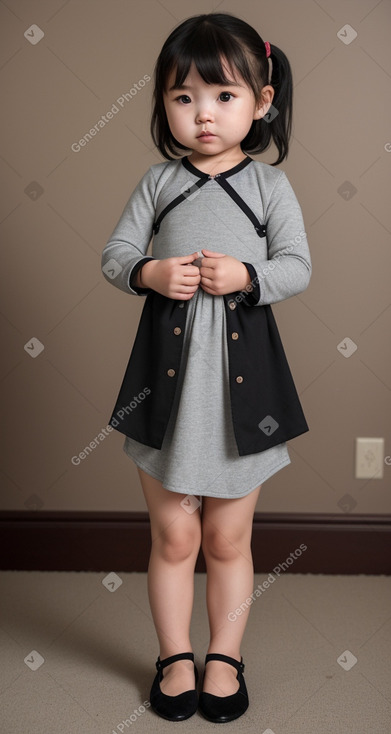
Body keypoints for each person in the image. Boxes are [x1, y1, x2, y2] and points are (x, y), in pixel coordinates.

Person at [101, 12, 312, 724]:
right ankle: (172, 654)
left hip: (241, 388)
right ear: (163, 105)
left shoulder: (268, 188)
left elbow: (297, 268)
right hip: (166, 386)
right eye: (182, 96)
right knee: (174, 535)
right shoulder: (158, 183)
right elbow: (115, 255)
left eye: (223, 96)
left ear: (262, 101)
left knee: (225, 537)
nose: (203, 114)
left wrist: (248, 275)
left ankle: (223, 654)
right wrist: (150, 272)